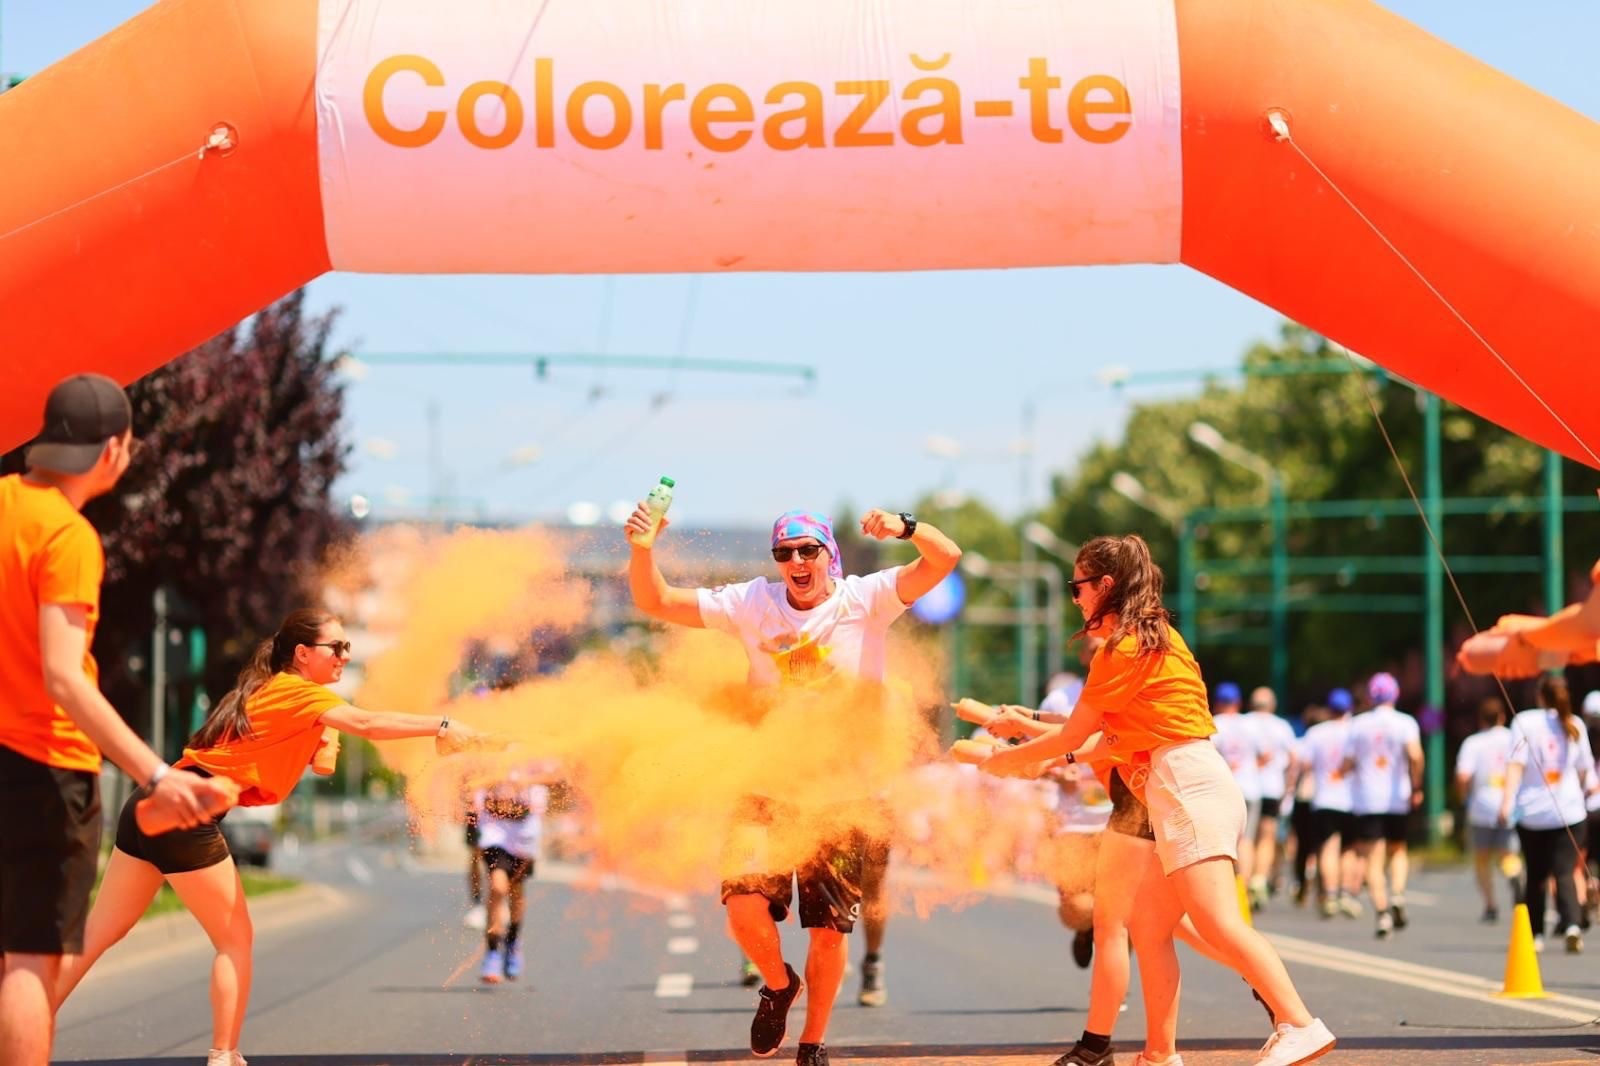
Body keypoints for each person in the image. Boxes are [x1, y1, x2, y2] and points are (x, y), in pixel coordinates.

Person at [54, 609, 485, 1065]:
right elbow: (367, 724)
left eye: (347, 648)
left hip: (149, 805)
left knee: (98, 934)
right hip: (187, 813)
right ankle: (224, 1054)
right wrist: (441, 725)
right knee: (235, 940)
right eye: (336, 648)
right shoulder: (298, 692)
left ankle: (23, 1026)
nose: (343, 656)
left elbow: (319, 758)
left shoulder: (279, 691)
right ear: (302, 654)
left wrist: (323, 737)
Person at [979, 534, 1334, 1066]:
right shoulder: (1157, 638)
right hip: (1184, 784)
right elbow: (1098, 732)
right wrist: (1027, 736)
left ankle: (1298, 1022)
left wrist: (1007, 761)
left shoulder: (1120, 650)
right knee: (1149, 928)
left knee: (1217, 921)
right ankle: (1159, 1054)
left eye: (1078, 586)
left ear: (1105, 585)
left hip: (1184, 787)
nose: (1075, 598)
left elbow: (1074, 736)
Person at [626, 504, 960, 1065]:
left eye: (808, 550)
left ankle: (812, 1045)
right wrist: (642, 549)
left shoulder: (866, 599)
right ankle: (780, 985)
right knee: (742, 907)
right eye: (785, 553)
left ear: (830, 554)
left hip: (843, 799)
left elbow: (945, 558)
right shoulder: (752, 602)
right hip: (767, 790)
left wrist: (906, 527)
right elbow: (655, 600)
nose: (797, 562)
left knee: (828, 934)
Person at [0, 374, 236, 1066]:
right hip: (44, 773)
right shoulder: (66, 536)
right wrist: (156, 774)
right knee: (28, 961)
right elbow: (63, 676)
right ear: (112, 451)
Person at [1500, 675, 1594, 954]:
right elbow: (1584, 770)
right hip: (1570, 812)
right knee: (1565, 872)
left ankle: (1536, 933)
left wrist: (1506, 802)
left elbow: (1516, 765)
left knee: (1537, 875)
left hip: (1533, 814)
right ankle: (1572, 925)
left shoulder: (1524, 721)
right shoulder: (1575, 723)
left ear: (1539, 696)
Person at [1343, 673, 1423, 939]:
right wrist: (1416, 785)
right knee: (1398, 849)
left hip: (1367, 799)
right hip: (1397, 798)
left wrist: (1345, 772)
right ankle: (1397, 894)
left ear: (1370, 697)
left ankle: (1382, 913)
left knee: (1372, 858)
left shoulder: (1358, 724)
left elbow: (1348, 762)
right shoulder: (1405, 723)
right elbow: (1415, 756)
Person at [474, 766, 552, 983]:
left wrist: (524, 783)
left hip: (523, 839)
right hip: (495, 835)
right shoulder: (489, 757)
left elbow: (551, 780)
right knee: (498, 888)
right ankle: (492, 952)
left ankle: (513, 940)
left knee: (516, 891)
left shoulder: (533, 760)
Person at [1299, 689, 1362, 918]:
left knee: (1328, 848)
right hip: (1352, 799)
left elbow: (1304, 764)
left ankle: (1330, 895)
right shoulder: (1356, 730)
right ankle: (1346, 892)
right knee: (1349, 849)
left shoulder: (1316, 733)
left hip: (1324, 798)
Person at [1456, 697, 1516, 923]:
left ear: (1481, 719)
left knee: (1482, 858)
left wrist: (1464, 797)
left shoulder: (1473, 743)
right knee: (1507, 853)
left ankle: (1490, 904)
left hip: (1481, 806)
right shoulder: (1512, 738)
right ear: (1502, 717)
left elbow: (1463, 776)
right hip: (1508, 804)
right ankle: (1513, 874)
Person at [1247, 687, 1298, 909]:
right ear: (1272, 705)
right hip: (1272, 787)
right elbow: (1294, 758)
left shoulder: (1243, 723)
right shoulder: (1281, 726)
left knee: (1246, 838)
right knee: (1267, 836)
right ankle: (1259, 878)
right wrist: (1289, 785)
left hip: (1245, 787)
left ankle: (1245, 879)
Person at [1209, 681, 1262, 895]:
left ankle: (1226, 890)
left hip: (1225, 789)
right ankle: (1243, 890)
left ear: (1217, 703)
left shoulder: (1215, 723)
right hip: (1250, 788)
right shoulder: (1251, 724)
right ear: (1238, 703)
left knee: (1223, 842)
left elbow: (1209, 755)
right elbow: (1265, 755)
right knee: (1247, 840)